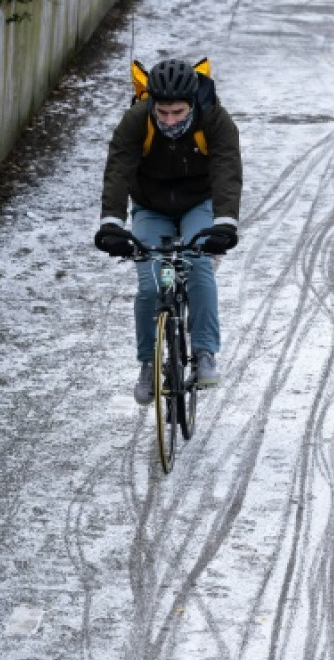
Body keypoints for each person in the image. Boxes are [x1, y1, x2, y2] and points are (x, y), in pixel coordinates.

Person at [93, 58, 243, 404]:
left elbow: (227, 170)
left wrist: (224, 223)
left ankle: (204, 354)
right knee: (149, 283)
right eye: (163, 112)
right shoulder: (136, 120)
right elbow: (118, 168)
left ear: (191, 104)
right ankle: (148, 363)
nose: (170, 120)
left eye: (177, 112)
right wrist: (112, 224)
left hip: (199, 203)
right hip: (150, 205)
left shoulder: (216, 121)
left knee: (198, 264)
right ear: (152, 105)